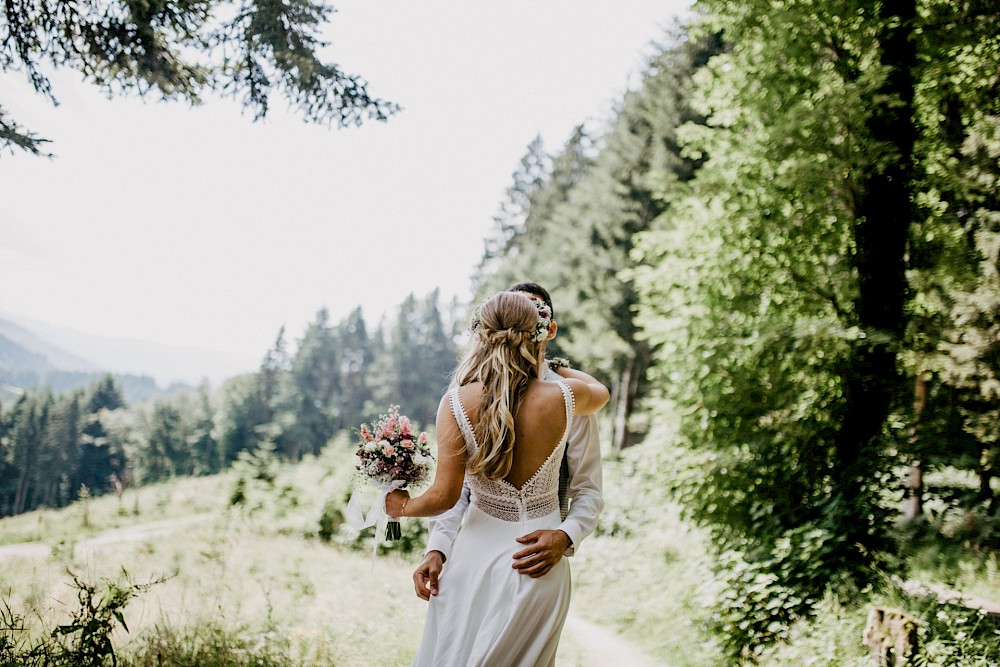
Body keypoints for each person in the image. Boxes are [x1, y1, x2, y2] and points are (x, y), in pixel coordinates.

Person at [385, 290, 610, 667]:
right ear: (538, 332)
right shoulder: (567, 397)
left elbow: (443, 494)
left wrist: (402, 506)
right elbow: (602, 392)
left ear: (480, 334)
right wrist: (436, 548)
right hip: (536, 570)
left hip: (477, 562)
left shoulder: (456, 402)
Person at [415, 282, 604, 593]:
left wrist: (565, 535)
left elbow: (589, 488)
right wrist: (437, 547)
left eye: (533, 308)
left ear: (549, 328)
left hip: (539, 563)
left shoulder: (572, 399)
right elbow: (459, 487)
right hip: (472, 555)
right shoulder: (467, 396)